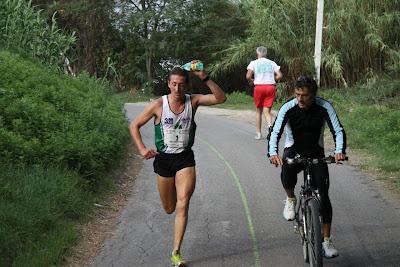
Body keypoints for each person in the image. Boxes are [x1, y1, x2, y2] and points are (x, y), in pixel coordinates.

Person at [129, 65, 226, 266]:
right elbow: (134, 125)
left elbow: (220, 98)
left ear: (187, 85)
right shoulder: (158, 105)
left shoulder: (194, 101)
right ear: (168, 84)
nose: (177, 89)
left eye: (181, 85)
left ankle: (176, 252)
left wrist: (205, 77)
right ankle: (175, 241)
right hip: (164, 161)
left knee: (183, 202)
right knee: (169, 207)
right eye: (173, 84)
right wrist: (142, 149)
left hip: (184, 159)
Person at [267, 75, 346, 258]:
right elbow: (276, 131)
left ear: (314, 95)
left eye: (305, 95)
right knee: (287, 172)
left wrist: (339, 150)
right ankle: (290, 199)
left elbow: (338, 129)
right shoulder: (288, 107)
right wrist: (272, 153)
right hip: (293, 150)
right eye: (297, 94)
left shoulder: (324, 106)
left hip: (315, 152)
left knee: (324, 197)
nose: (300, 99)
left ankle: (326, 242)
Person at [246, 46, 283, 140]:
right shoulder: (272, 63)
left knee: (259, 111)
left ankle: (258, 134)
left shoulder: (254, 63)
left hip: (259, 88)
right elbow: (280, 75)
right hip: (270, 87)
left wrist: (251, 81)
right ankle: (270, 126)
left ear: (257, 53)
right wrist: (272, 79)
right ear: (266, 54)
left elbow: (248, 76)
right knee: (267, 111)